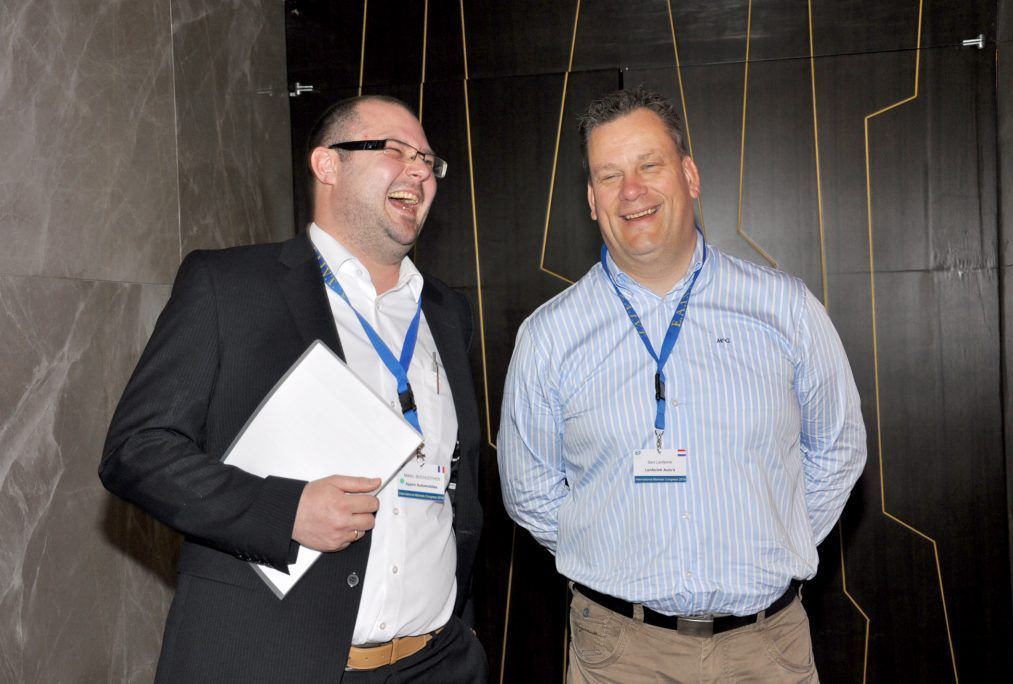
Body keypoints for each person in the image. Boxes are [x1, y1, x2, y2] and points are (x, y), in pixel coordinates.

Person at [100, 95, 486, 683]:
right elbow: (137, 450)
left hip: (435, 662)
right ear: (327, 164)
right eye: (395, 150)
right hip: (278, 660)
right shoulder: (229, 286)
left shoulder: (445, 311)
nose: (420, 170)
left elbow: (456, 490)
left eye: (428, 160)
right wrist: (283, 513)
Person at [497, 86, 866, 683]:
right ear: (591, 199)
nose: (632, 191)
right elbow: (529, 488)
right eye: (609, 175)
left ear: (689, 176)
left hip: (766, 649)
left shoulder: (785, 309)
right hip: (620, 655)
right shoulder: (549, 336)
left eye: (649, 165)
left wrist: (777, 539)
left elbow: (838, 448)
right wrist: (609, 551)